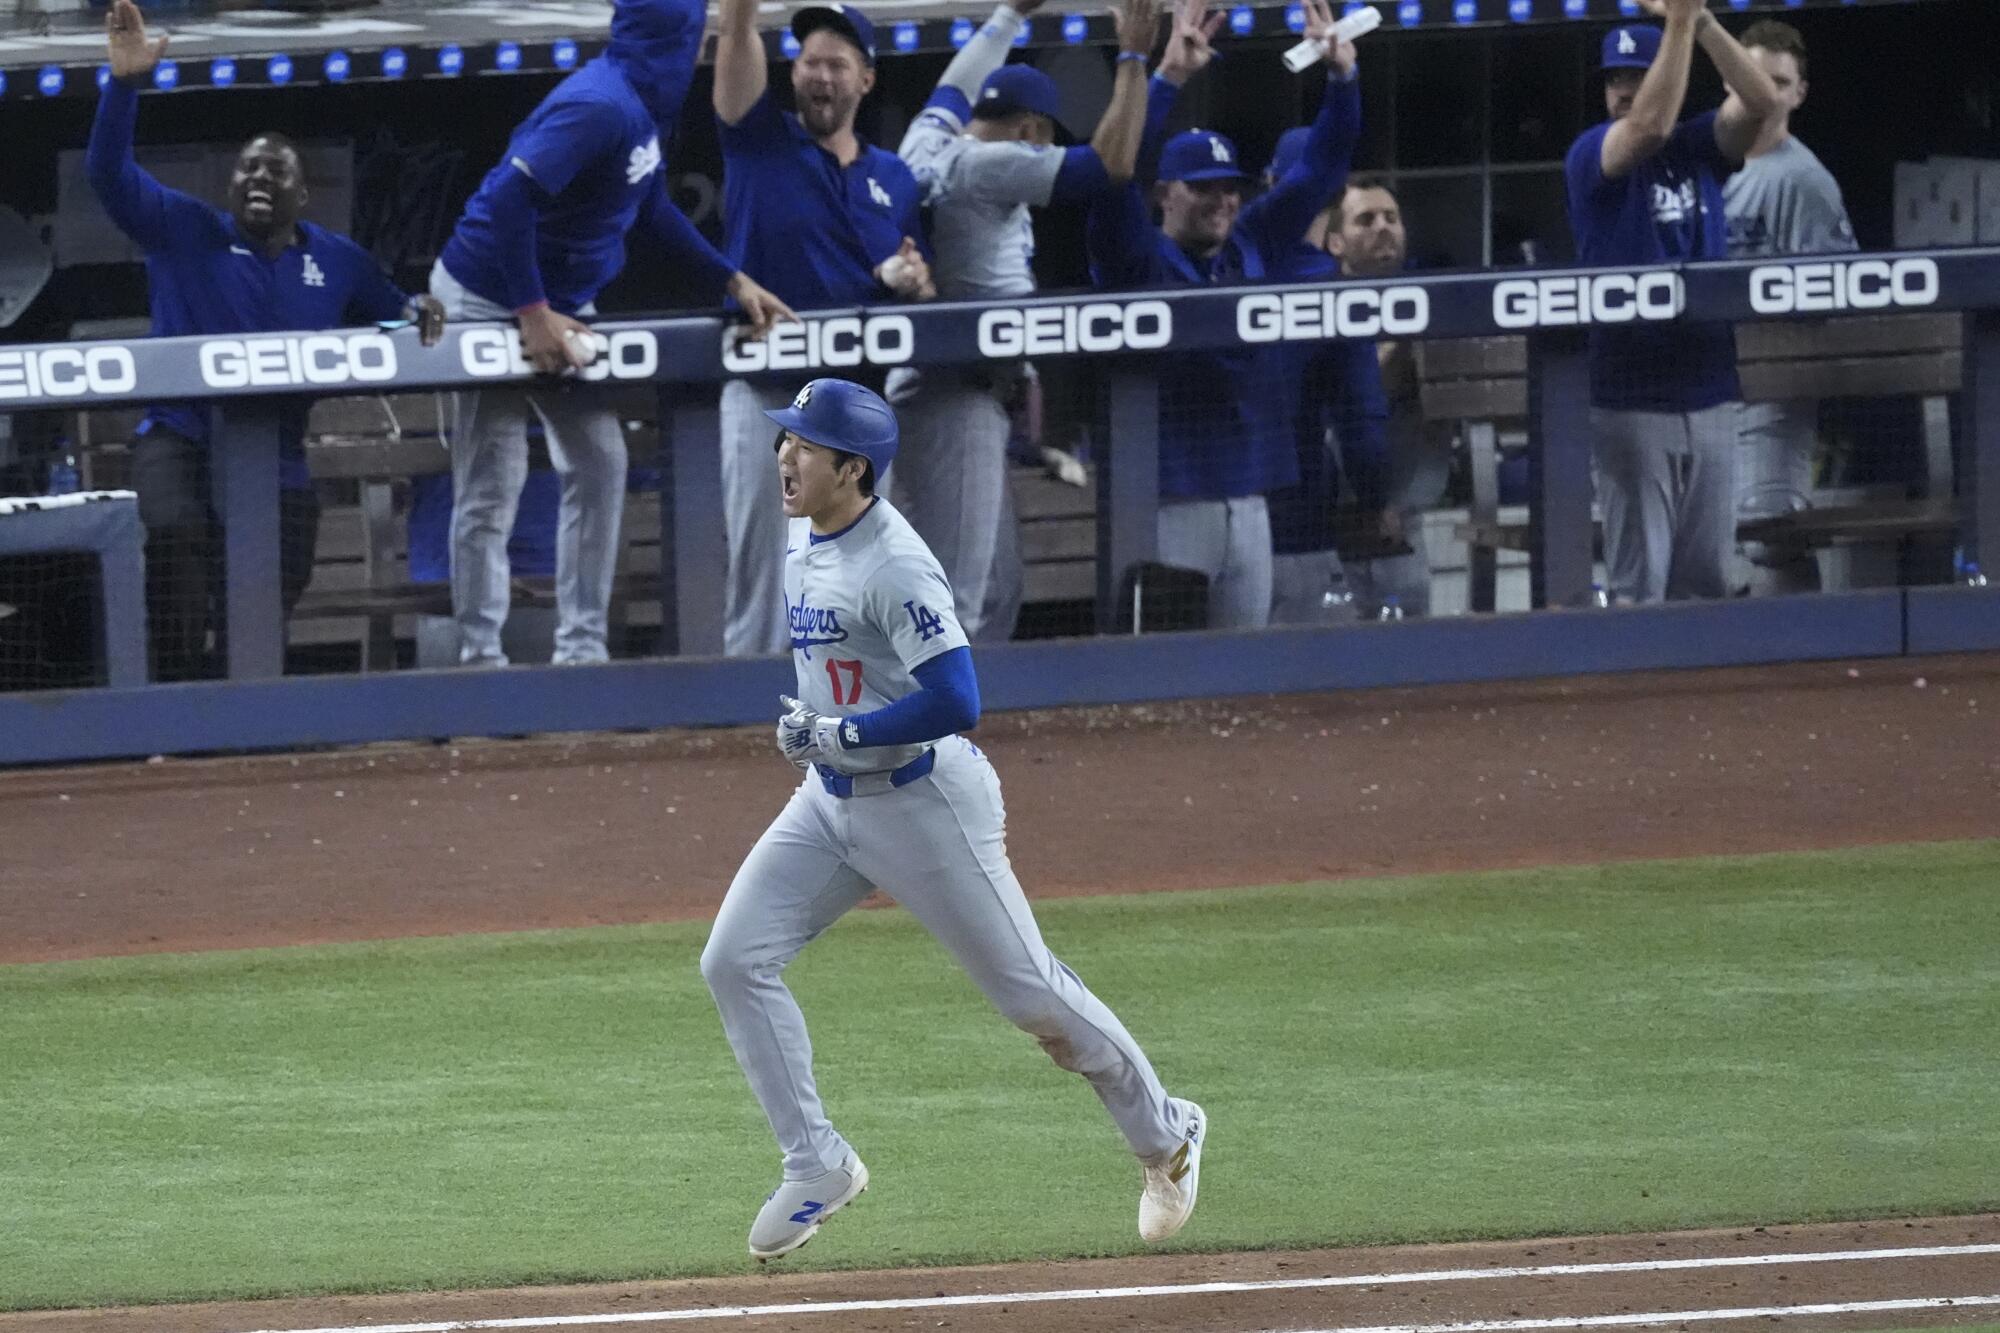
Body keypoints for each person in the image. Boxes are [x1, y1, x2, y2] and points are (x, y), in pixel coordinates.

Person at [700, 377, 1205, 1261]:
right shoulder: (801, 534)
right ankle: (816, 1162)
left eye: (803, 445)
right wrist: (819, 732)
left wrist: (840, 729)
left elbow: (959, 697)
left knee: (1031, 995)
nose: (784, 454)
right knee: (733, 959)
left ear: (852, 469)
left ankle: (1167, 1134)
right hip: (828, 801)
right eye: (786, 438)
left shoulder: (894, 562)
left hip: (925, 805)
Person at [86, 0, 446, 681]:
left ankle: (248, 719)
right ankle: (177, 714)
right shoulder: (186, 229)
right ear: (229, 186)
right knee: (177, 539)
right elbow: (107, 176)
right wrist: (124, 85)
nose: (258, 178)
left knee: (274, 574)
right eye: (247, 170)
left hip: (276, 450)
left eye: (275, 171)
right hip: (181, 436)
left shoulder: (335, 259)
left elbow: (391, 317)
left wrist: (419, 306)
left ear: (302, 195)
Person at [433, 0, 793, 667]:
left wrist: (730, 279)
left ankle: (581, 655)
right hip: (490, 295)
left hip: (562, 300)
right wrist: (531, 311)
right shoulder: (601, 104)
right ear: (672, 41)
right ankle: (480, 662)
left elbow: (648, 203)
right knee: (493, 478)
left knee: (600, 461)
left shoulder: (645, 104)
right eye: (695, 40)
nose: (699, 53)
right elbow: (510, 200)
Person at [889, 0, 1162, 642]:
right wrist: (1134, 57)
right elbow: (1111, 165)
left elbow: (953, 85)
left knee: (998, 586)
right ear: (1032, 131)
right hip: (955, 394)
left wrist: (1010, 14)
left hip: (944, 391)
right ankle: (920, 736)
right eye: (1042, 135)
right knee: (954, 601)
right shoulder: (991, 163)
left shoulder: (928, 140)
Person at [1087, 0, 1362, 630]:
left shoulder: (1253, 239)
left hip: (1251, 496)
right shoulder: (1136, 255)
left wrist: (1342, 78)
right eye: (1203, 186)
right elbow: (1112, 179)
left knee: (1244, 678)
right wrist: (1167, 80)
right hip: (1166, 497)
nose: (1222, 199)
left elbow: (1322, 169)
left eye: (1229, 185)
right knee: (1157, 675)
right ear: (1165, 194)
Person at [712, 0, 935, 657]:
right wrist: (740, 14)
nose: (823, 76)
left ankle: (851, 726)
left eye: (838, 64)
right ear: (793, 71)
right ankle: (745, 718)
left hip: (854, 407)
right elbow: (735, 40)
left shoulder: (892, 176)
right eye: (811, 62)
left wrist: (915, 283)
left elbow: (919, 280)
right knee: (764, 579)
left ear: (865, 79)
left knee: (855, 579)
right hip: (767, 389)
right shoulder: (759, 142)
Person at [1562, 2, 1780, 605]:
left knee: (1707, 584)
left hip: (1710, 386)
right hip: (1632, 397)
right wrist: (1679, 21)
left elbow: (1763, 103)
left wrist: (1701, 20)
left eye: (1639, 74)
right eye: (1616, 79)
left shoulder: (1696, 145)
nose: (1627, 90)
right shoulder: (1590, 154)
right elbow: (1648, 128)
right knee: (1640, 592)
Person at [1723, 19, 1857, 597]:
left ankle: (1813, 672)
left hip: (1770, 399)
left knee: (1770, 540)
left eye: (1779, 82)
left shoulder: (1804, 181)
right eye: (1752, 78)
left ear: (1797, 93)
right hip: (1704, 393)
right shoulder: (1707, 165)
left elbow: (1831, 307)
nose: (1765, 93)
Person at [1262, 140, 1392, 626]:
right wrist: (1375, 501)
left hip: (1192, 511)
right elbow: (1364, 429)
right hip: (1296, 532)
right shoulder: (1333, 289)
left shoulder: (1227, 264)